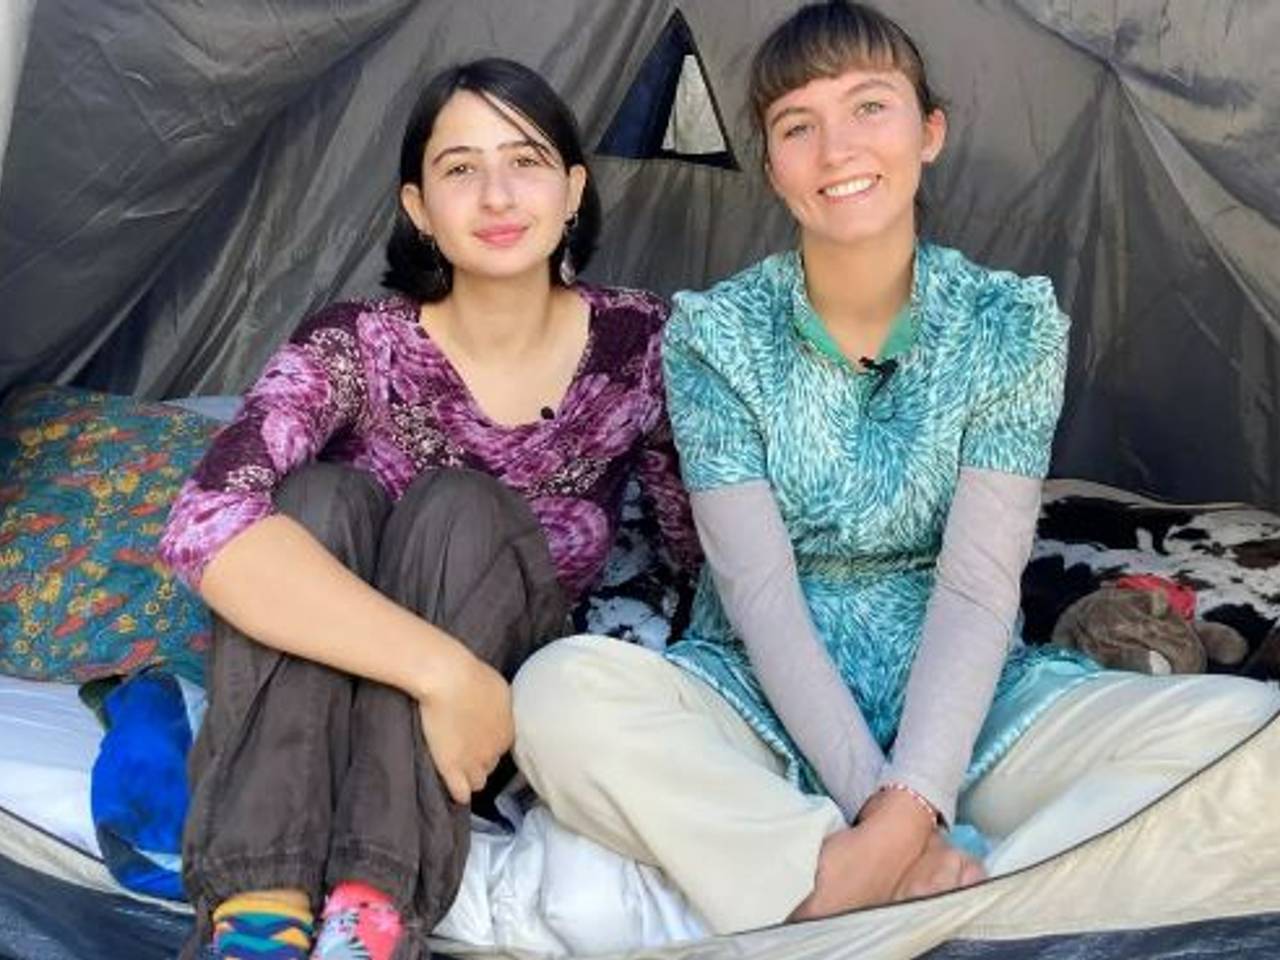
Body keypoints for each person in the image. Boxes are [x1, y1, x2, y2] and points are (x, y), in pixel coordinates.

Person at [511, 1, 1280, 937]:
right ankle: (960, 896)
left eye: (870, 107)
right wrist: (891, 823)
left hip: (973, 709)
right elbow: (758, 591)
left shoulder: (1009, 324)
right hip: (759, 704)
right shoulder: (715, 336)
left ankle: (830, 901)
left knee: (1247, 747)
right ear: (772, 162)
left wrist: (910, 803)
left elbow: (976, 587)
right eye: (798, 125)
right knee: (559, 695)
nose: (837, 149)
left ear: (930, 132)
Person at [159, 57, 699, 960]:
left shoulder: (644, 345)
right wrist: (441, 671)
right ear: (418, 206)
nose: (495, 195)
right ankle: (260, 918)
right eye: (459, 169)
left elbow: (696, 545)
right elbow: (205, 520)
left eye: (525, 161)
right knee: (315, 497)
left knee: (459, 507)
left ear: (573, 190)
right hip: (394, 676)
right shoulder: (354, 343)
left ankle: (369, 918)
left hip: (494, 698)